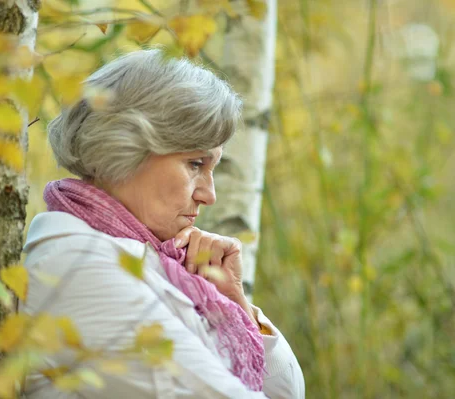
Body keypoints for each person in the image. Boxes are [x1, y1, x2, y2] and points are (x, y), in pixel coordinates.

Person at [21, 49, 304, 398]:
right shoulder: (75, 265)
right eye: (195, 164)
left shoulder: (160, 261)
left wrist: (236, 305)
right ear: (125, 146)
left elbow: (286, 391)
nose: (209, 195)